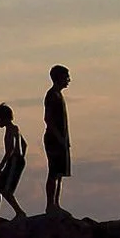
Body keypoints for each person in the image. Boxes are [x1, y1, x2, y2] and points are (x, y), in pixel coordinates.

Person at [43, 65, 72, 215]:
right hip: (54, 139)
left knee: (60, 173)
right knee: (53, 172)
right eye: (66, 76)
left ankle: (56, 203)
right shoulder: (52, 95)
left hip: (61, 139)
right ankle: (50, 205)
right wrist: (59, 138)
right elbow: (48, 119)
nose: (69, 80)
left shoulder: (58, 95)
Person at [0, 103, 27, 219]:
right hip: (14, 160)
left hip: (14, 161)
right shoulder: (15, 129)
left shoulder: (12, 129)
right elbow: (25, 145)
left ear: (4, 118)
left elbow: (10, 149)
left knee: (6, 191)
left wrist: (2, 164)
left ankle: (20, 213)